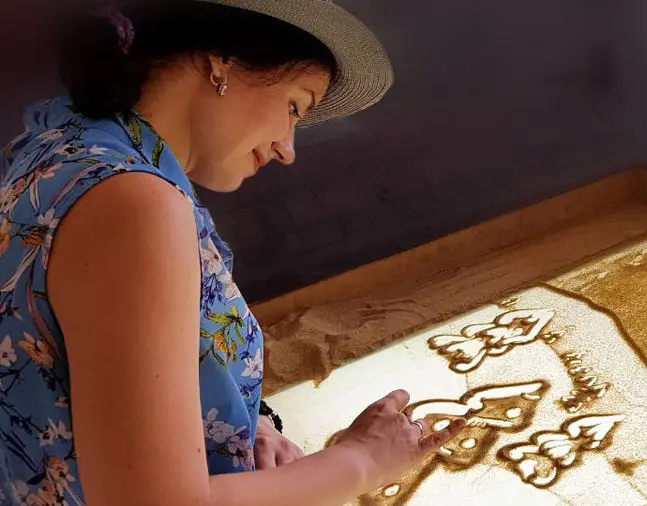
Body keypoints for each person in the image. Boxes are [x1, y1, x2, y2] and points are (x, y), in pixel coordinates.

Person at [0, 1, 466, 505]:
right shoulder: (132, 202)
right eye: (294, 106)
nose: (287, 148)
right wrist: (360, 462)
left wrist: (255, 424)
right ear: (220, 59)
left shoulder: (66, 141)